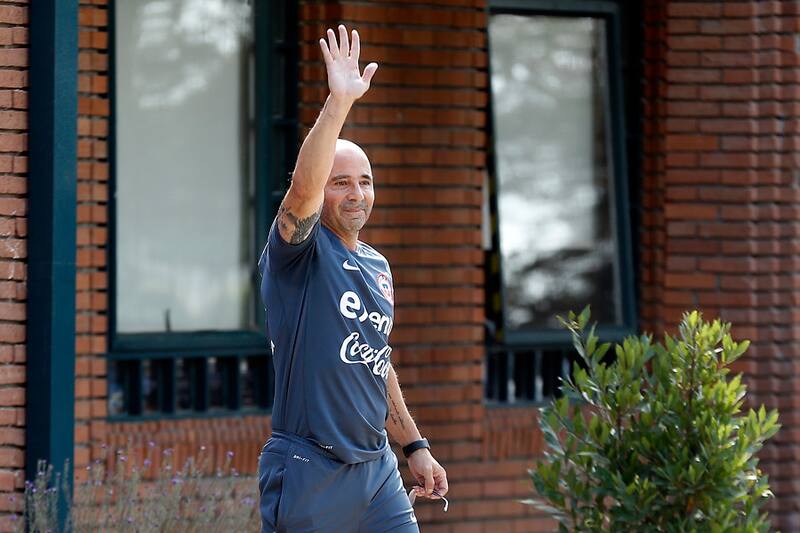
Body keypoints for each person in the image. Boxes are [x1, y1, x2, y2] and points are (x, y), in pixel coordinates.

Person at [256, 24, 449, 533]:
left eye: (364, 181)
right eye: (341, 183)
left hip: (377, 470)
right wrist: (339, 102)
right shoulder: (297, 252)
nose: (356, 193)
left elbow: (375, 360)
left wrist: (415, 446)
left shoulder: (378, 266)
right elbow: (302, 187)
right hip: (310, 469)